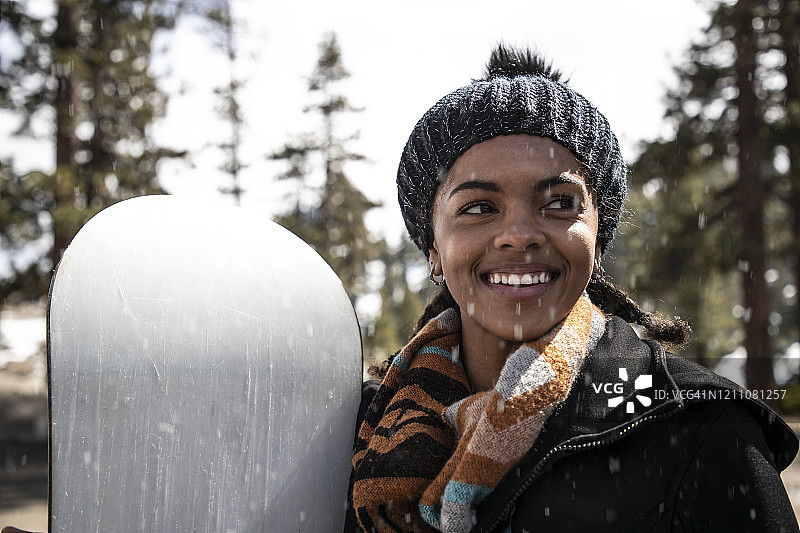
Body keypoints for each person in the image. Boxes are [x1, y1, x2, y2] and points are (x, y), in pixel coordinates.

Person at [344, 45, 799, 532]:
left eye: (559, 202)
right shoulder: (359, 428)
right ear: (433, 247)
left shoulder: (698, 426)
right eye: (478, 207)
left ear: (598, 241)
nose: (519, 233)